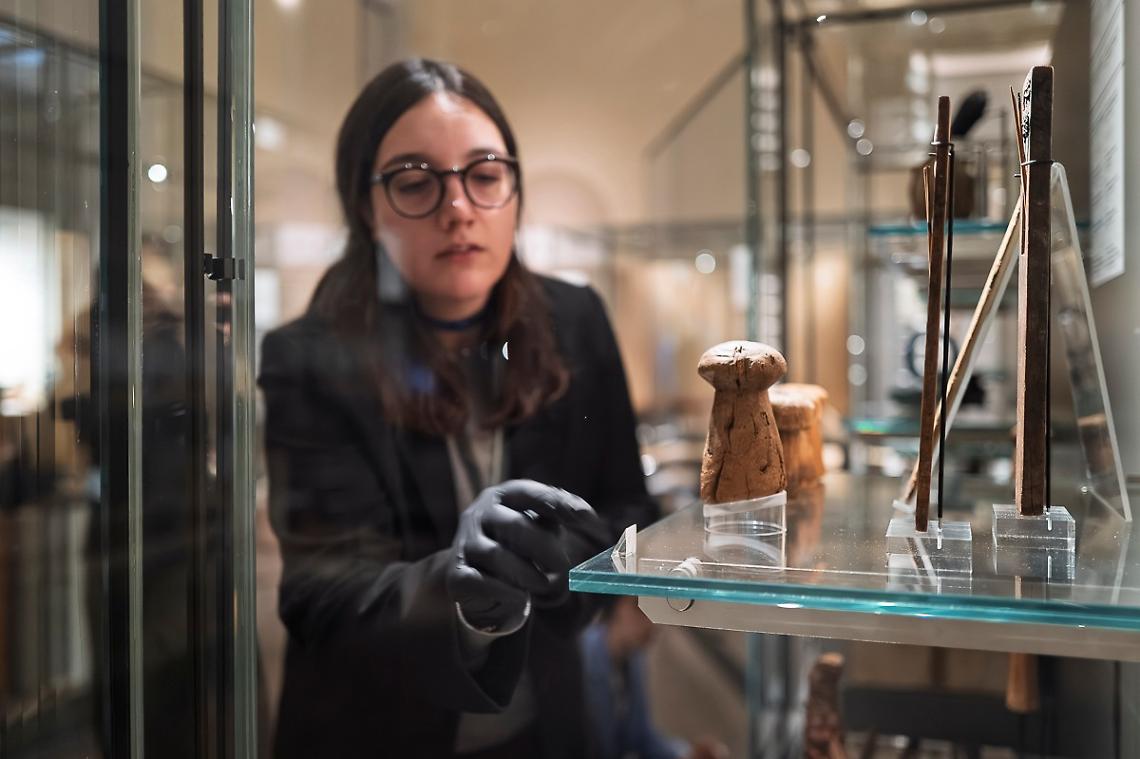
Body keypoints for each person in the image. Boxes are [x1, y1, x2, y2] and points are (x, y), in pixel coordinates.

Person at [258, 58, 658, 759]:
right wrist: (466, 588)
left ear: (514, 189)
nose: (458, 208)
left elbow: (626, 505)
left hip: (545, 724)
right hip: (376, 731)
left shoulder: (576, 320)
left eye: (484, 174)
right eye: (415, 182)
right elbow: (320, 592)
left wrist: (562, 565)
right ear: (364, 205)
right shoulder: (311, 355)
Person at [581, 597, 729, 759]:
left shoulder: (633, 661)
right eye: (641, 610)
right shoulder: (585, 656)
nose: (653, 624)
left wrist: (686, 753)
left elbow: (641, 737)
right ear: (618, 607)